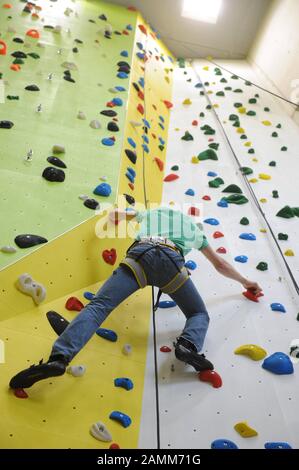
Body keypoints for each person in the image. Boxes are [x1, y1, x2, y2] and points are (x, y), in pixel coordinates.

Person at [9, 206, 262, 389]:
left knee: (99, 306)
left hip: (140, 255)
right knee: (198, 313)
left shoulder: (153, 213)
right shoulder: (195, 231)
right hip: (172, 263)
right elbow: (220, 265)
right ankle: (187, 345)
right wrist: (247, 282)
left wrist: (112, 220)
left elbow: (116, 213)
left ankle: (59, 358)